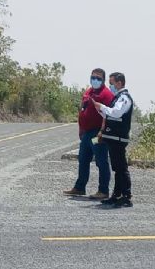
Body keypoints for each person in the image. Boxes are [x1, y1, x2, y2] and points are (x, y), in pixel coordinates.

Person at [63, 68, 115, 199]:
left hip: (97, 134)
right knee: (83, 159)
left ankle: (103, 191)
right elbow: (82, 108)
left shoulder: (106, 95)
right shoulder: (88, 92)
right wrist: (81, 128)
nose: (95, 80)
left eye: (98, 78)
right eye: (93, 77)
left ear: (103, 80)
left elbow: (108, 115)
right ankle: (80, 188)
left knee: (101, 161)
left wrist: (102, 132)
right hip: (86, 134)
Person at [92, 72, 134, 208]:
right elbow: (111, 114)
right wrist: (100, 109)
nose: (110, 86)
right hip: (113, 137)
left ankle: (126, 196)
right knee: (117, 168)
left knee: (121, 168)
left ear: (119, 83)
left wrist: (103, 107)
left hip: (119, 138)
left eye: (112, 83)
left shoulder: (124, 98)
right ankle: (117, 195)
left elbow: (117, 113)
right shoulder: (117, 98)